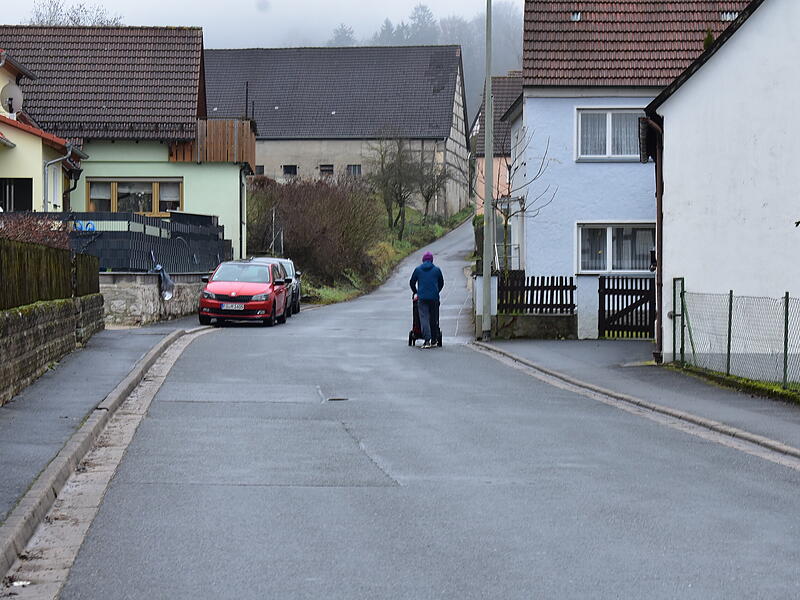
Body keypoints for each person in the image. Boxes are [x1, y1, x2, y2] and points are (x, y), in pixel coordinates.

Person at [409, 251, 444, 349]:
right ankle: (434, 339)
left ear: (423, 260)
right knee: (433, 318)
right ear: (432, 260)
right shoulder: (437, 270)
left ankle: (427, 340)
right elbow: (441, 283)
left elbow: (412, 282)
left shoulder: (418, 270)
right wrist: (437, 291)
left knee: (424, 318)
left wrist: (416, 291)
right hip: (434, 298)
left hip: (422, 298)